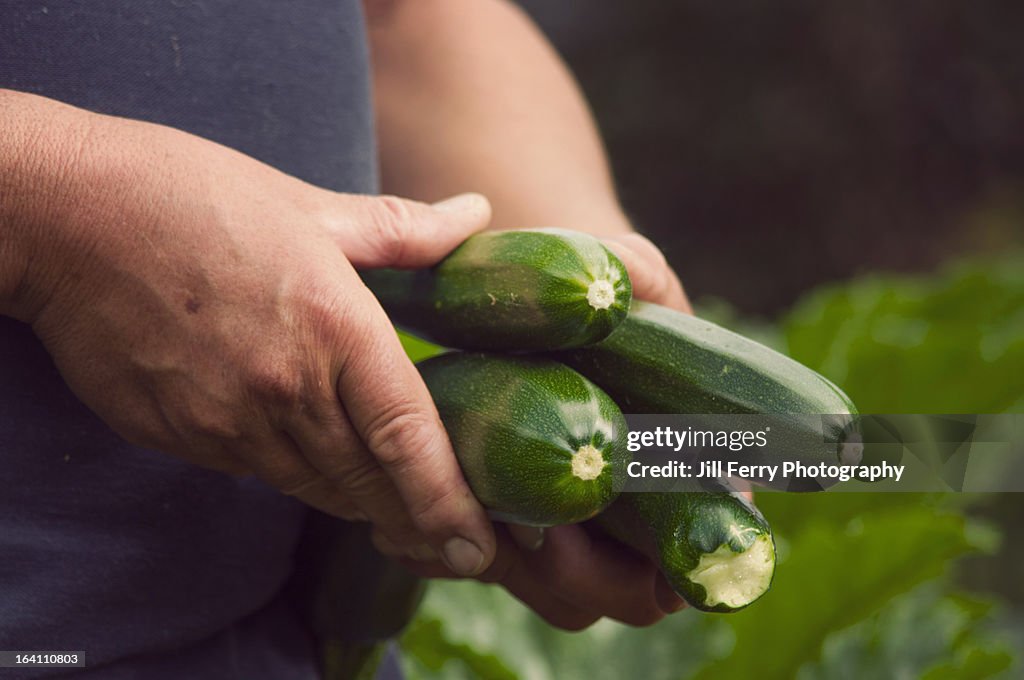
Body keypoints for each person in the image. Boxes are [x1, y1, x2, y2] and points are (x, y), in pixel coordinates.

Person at [0, 1, 691, 677]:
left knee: (789, 445)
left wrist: (571, 279)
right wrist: (58, 209)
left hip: (294, 637)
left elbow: (399, 16)